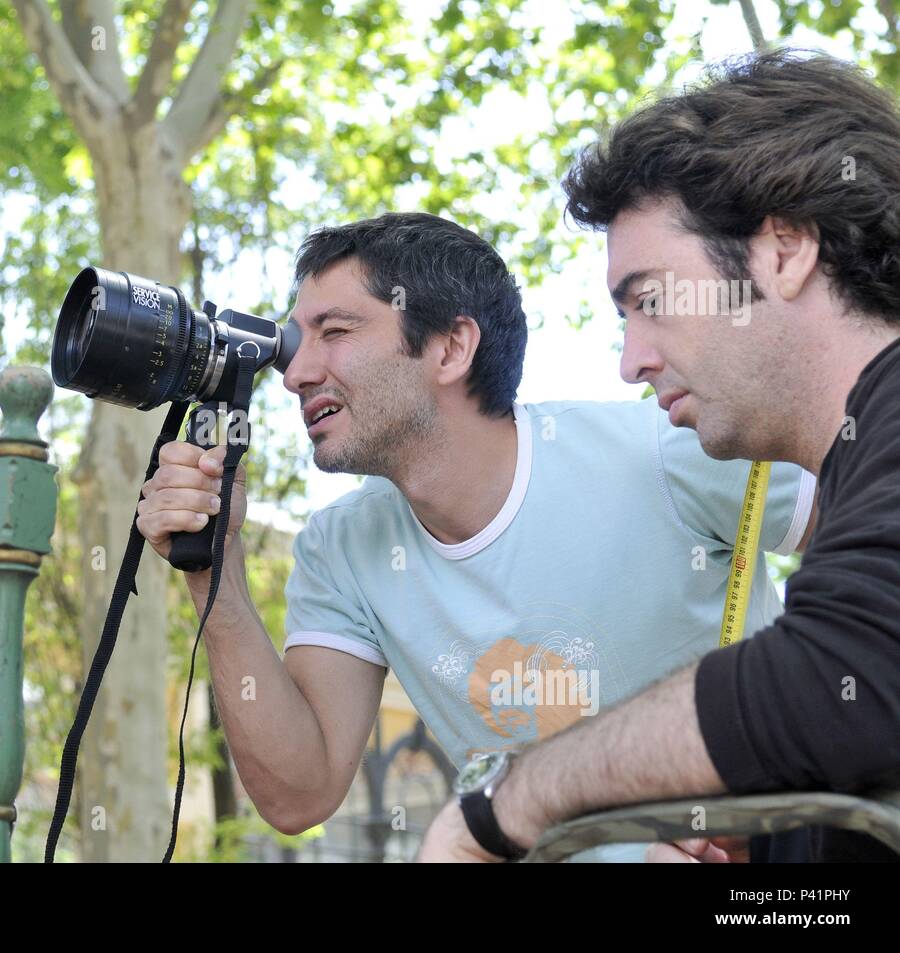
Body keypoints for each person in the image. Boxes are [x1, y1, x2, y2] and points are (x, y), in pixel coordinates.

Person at [135, 211, 814, 859]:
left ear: (452, 346)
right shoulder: (340, 548)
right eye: (294, 339)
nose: (294, 372)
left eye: (334, 331)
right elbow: (298, 794)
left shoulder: (669, 453)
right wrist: (213, 573)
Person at [417, 50, 900, 864]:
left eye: (650, 300)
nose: (631, 360)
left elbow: (843, 673)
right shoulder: (858, 483)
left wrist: (507, 804)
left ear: (784, 250)